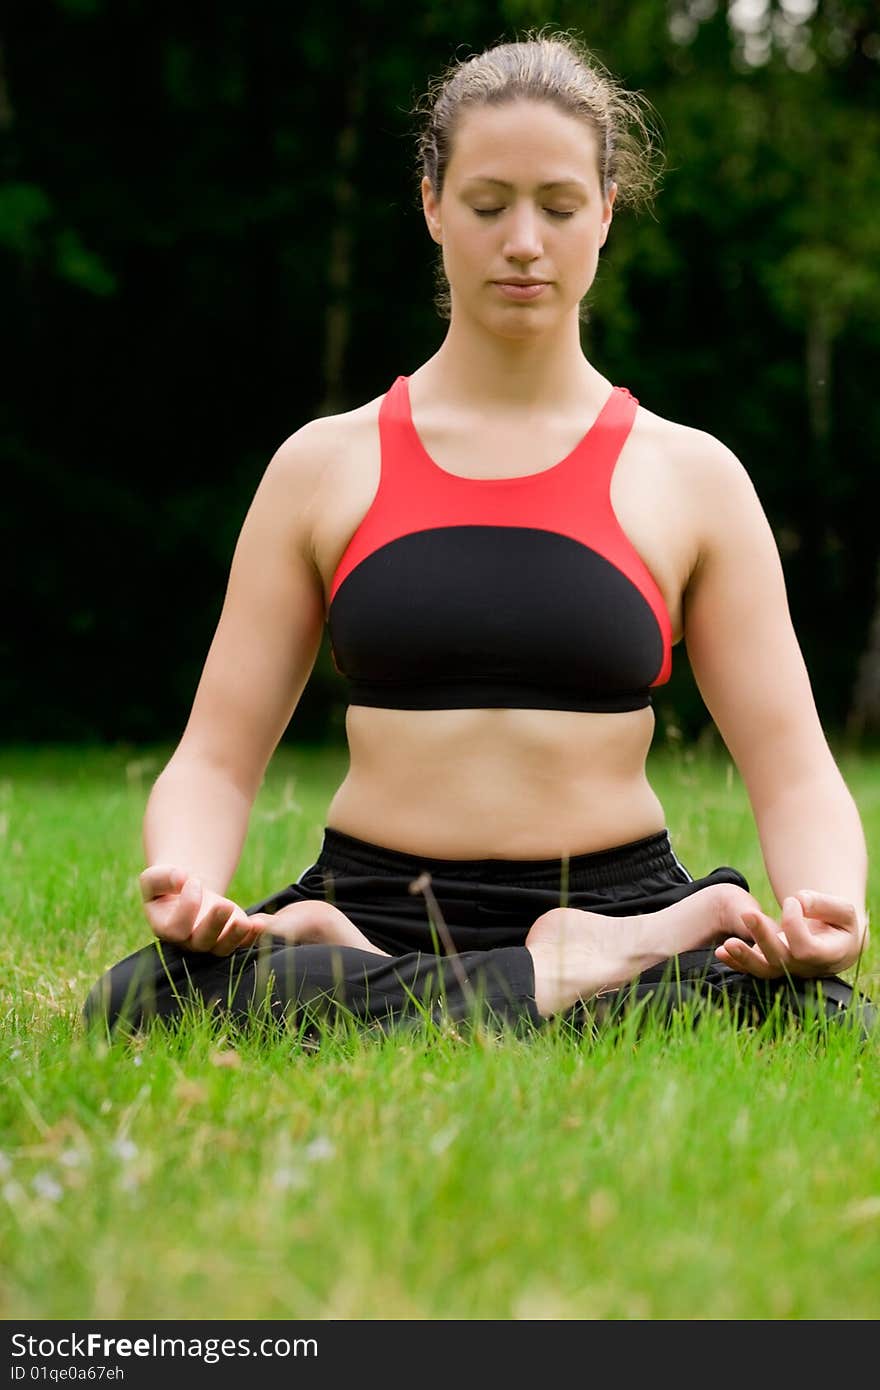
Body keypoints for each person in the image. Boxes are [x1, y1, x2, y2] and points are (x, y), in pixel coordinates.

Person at [84, 32, 873, 1040]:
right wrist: (188, 877)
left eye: (556, 205)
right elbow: (217, 758)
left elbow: (792, 764)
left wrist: (821, 902)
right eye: (488, 204)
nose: (524, 242)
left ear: (605, 214)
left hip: (614, 894)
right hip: (376, 896)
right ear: (431, 207)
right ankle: (557, 982)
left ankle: (497, 968)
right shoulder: (324, 464)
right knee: (137, 1005)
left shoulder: (693, 477)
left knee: (824, 1023)